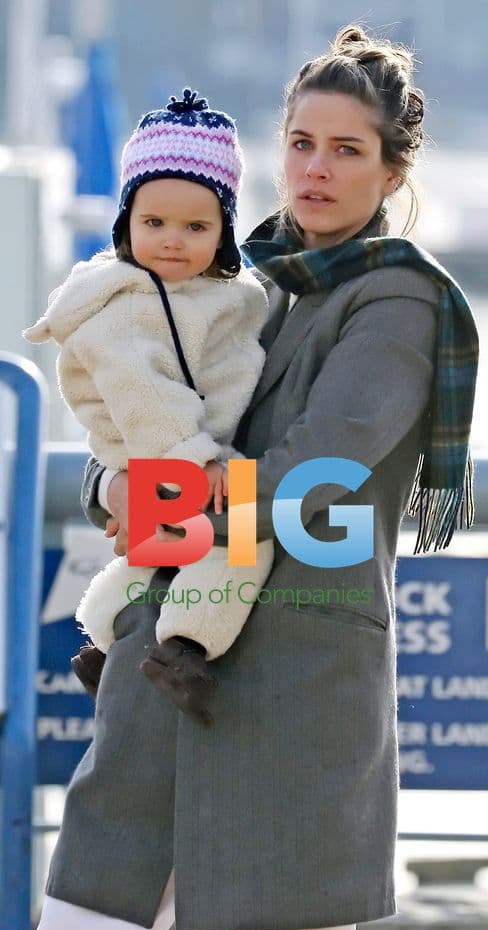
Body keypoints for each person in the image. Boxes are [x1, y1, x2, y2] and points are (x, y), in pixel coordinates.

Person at [36, 25, 479, 930]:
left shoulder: (395, 301)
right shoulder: (230, 284)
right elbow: (133, 424)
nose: (314, 170)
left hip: (299, 669)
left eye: (346, 149)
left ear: (392, 167)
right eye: (299, 142)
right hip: (171, 653)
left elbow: (306, 474)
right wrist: (113, 491)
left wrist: (156, 492)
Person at [24, 89, 273, 727]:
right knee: (242, 542)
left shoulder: (206, 293)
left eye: (196, 227)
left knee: (158, 549)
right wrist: (201, 461)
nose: (171, 241)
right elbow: (144, 396)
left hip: (164, 452)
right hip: (166, 450)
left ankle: (104, 643)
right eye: (153, 223)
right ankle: (187, 647)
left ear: (223, 232)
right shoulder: (132, 304)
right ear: (125, 224)